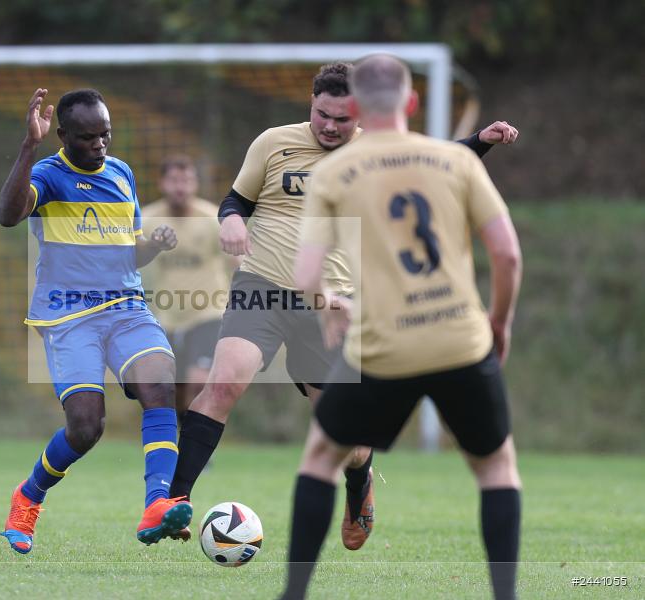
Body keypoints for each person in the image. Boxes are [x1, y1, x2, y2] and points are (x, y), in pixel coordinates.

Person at [169, 61, 519, 550]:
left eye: (341, 118)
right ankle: (173, 502)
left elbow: (438, 159)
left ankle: (361, 485)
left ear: (358, 113)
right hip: (262, 288)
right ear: (309, 105)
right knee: (223, 383)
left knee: (350, 446)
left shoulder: (372, 153)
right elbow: (236, 201)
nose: (330, 126)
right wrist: (230, 221)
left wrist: (481, 140)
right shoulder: (273, 143)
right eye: (321, 114)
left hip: (335, 307)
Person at [281, 54, 522, 600]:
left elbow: (306, 274)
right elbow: (506, 255)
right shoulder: (455, 161)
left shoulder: (333, 172)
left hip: (383, 347)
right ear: (412, 103)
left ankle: (294, 592)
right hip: (460, 341)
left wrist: (328, 303)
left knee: (321, 458)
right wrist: (499, 323)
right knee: (496, 467)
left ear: (358, 108)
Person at [0, 87, 192, 554]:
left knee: (161, 383)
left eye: (105, 134)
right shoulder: (48, 175)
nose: (100, 144)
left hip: (125, 307)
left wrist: (153, 246)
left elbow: (128, 253)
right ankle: (29, 495)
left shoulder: (122, 173)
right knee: (86, 427)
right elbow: (7, 215)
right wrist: (28, 147)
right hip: (69, 316)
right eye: (87, 137)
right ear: (63, 136)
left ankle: (156, 505)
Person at [141, 155, 236, 418]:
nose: (180, 187)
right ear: (161, 183)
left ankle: (198, 453)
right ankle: (184, 444)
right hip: (167, 316)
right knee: (172, 389)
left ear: (195, 184)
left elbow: (237, 262)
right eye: (174, 180)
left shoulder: (211, 218)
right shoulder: (147, 220)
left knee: (199, 381)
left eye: (186, 180)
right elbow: (127, 259)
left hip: (208, 313)